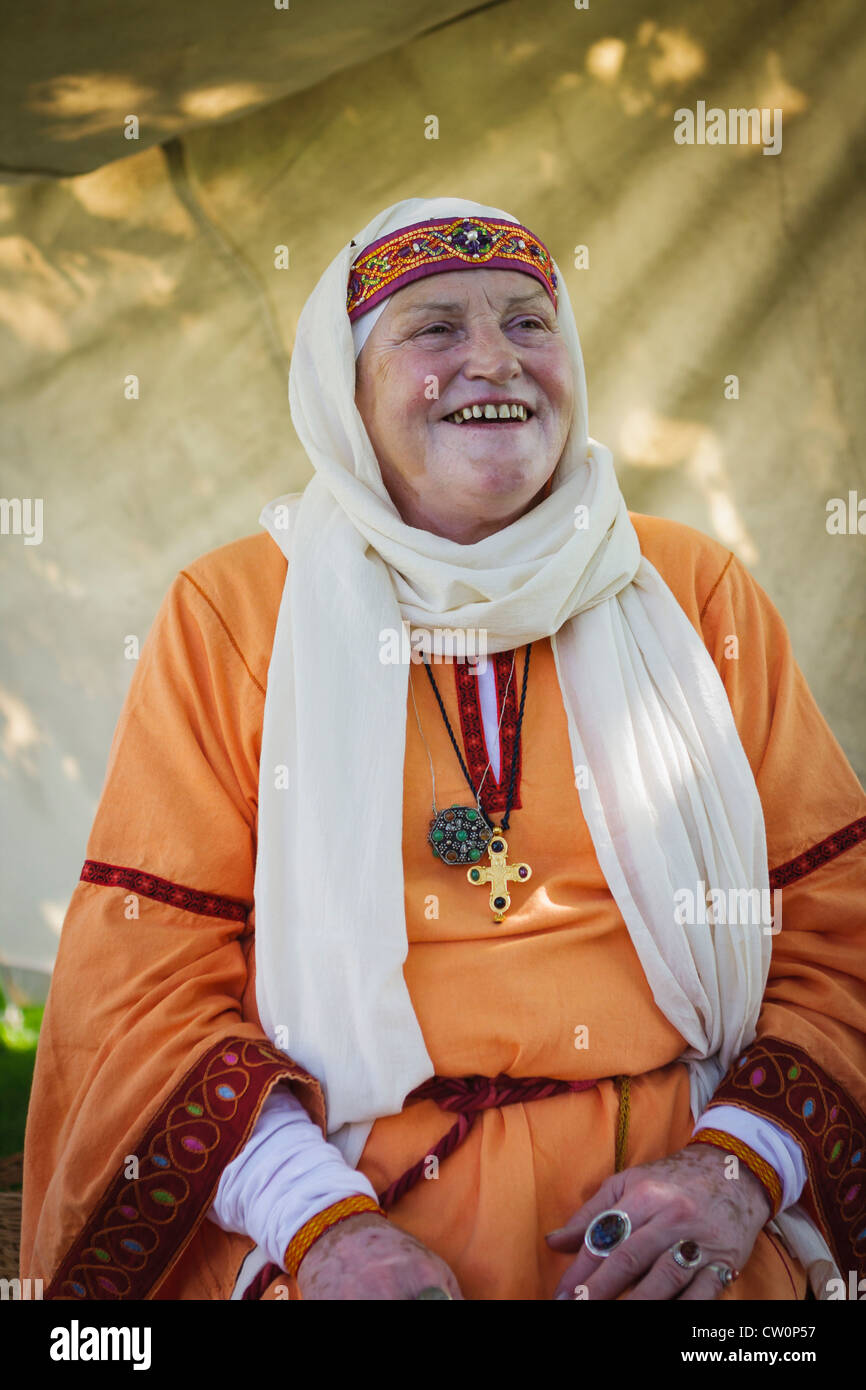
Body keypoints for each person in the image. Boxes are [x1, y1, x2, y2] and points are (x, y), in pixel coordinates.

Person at [20, 196, 866, 1302]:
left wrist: (733, 1170)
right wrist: (319, 1229)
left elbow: (835, 925)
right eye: (432, 330)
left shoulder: (693, 592)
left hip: (682, 1232)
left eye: (527, 322)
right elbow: (149, 982)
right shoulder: (235, 612)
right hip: (348, 1218)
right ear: (347, 393)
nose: (491, 361)